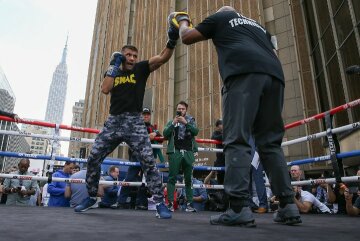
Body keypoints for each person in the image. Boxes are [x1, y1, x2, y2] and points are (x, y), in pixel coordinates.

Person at [172, 6, 301, 226]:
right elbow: (274, 49)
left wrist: (181, 20)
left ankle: (239, 207)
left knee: (236, 139)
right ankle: (288, 205)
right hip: (275, 76)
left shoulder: (223, 16)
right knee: (270, 143)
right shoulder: (258, 27)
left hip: (243, 74)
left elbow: (187, 37)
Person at [74, 27, 179, 219]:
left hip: (135, 122)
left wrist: (172, 40)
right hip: (113, 121)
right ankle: (91, 197)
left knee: (148, 161)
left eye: (134, 56)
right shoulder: (113, 72)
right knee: (93, 158)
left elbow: (163, 58)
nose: (132, 58)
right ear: (122, 57)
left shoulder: (141, 69)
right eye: (128, 55)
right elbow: (105, 89)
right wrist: (114, 64)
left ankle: (159, 203)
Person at [115, 107, 164, 210]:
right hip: (136, 156)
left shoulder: (152, 128)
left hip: (148, 157)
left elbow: (161, 137)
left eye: (147, 114)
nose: (145, 116)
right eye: (143, 114)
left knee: (146, 180)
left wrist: (154, 134)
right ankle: (121, 202)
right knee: (129, 178)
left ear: (149, 116)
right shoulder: (134, 125)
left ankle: (141, 203)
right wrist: (147, 136)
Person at [163, 101, 199, 212]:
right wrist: (173, 123)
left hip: (188, 152)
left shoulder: (191, 120)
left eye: (183, 109)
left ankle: (189, 204)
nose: (181, 110)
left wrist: (186, 123)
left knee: (188, 179)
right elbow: (165, 134)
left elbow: (196, 132)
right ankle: (170, 203)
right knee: (172, 178)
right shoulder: (172, 121)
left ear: (186, 110)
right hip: (175, 152)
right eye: (179, 108)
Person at [211, 119, 225, 184]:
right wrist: (224, 135)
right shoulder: (216, 133)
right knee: (220, 177)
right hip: (220, 159)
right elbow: (213, 137)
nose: (223, 125)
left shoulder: (227, 132)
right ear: (217, 126)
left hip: (228, 158)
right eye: (221, 124)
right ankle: (221, 192)